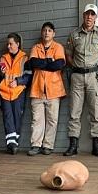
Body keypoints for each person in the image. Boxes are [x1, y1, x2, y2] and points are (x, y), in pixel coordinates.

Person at [64, 4, 98, 157]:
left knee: (95, 112)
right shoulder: (73, 34)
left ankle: (96, 146)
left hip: (93, 76)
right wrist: (76, 68)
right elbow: (68, 56)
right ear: (83, 15)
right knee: (74, 112)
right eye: (87, 14)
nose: (89, 17)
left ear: (96, 17)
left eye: (92, 14)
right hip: (77, 76)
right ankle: (73, 146)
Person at [26, 22, 66, 156]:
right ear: (41, 33)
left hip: (54, 90)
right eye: (44, 30)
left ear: (53, 33)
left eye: (49, 30)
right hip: (37, 89)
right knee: (37, 120)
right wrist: (49, 61)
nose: (46, 33)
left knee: (52, 120)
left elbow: (59, 65)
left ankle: (48, 146)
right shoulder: (36, 47)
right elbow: (32, 63)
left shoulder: (58, 47)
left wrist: (43, 63)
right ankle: (35, 145)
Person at [0, 33, 31, 154]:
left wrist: (18, 81)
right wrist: (0, 73)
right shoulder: (2, 58)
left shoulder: (25, 58)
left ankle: (13, 142)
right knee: (7, 116)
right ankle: (11, 144)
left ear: (17, 44)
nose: (8, 46)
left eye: (11, 43)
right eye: (7, 44)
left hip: (18, 92)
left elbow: (29, 76)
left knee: (17, 116)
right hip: (4, 92)